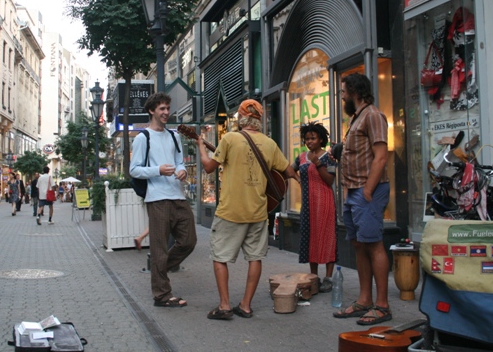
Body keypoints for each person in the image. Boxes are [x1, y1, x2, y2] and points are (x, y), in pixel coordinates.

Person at [198, 99, 298, 319]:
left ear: (241, 117)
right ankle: (245, 305)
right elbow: (288, 171)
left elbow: (208, 168)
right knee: (254, 258)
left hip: (230, 212)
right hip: (258, 212)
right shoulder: (269, 143)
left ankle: (225, 306)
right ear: (259, 119)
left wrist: (201, 147)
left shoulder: (231, 139)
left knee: (220, 257)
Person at [332, 73, 392, 326]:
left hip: (368, 191)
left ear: (355, 92)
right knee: (358, 244)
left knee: (374, 244)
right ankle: (364, 300)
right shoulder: (356, 118)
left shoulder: (373, 116)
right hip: (354, 191)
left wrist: (368, 190)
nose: (342, 96)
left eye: (344, 91)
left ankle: (383, 306)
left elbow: (381, 156)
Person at [130, 92, 197, 308]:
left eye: (168, 108)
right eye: (162, 109)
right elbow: (134, 170)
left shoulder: (174, 136)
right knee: (159, 247)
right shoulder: (143, 138)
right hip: (157, 198)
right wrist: (157, 170)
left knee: (189, 241)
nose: (166, 112)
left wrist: (182, 171)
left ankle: (159, 271)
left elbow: (179, 162)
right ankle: (161, 295)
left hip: (178, 195)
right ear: (152, 111)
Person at [296, 122, 338, 293]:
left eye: (313, 138)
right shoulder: (301, 157)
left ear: (321, 139)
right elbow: (289, 170)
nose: (310, 142)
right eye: (307, 139)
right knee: (310, 237)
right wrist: (296, 179)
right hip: (308, 204)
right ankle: (314, 276)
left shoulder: (329, 157)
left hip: (325, 203)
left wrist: (318, 164)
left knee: (328, 237)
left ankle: (328, 278)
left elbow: (330, 180)